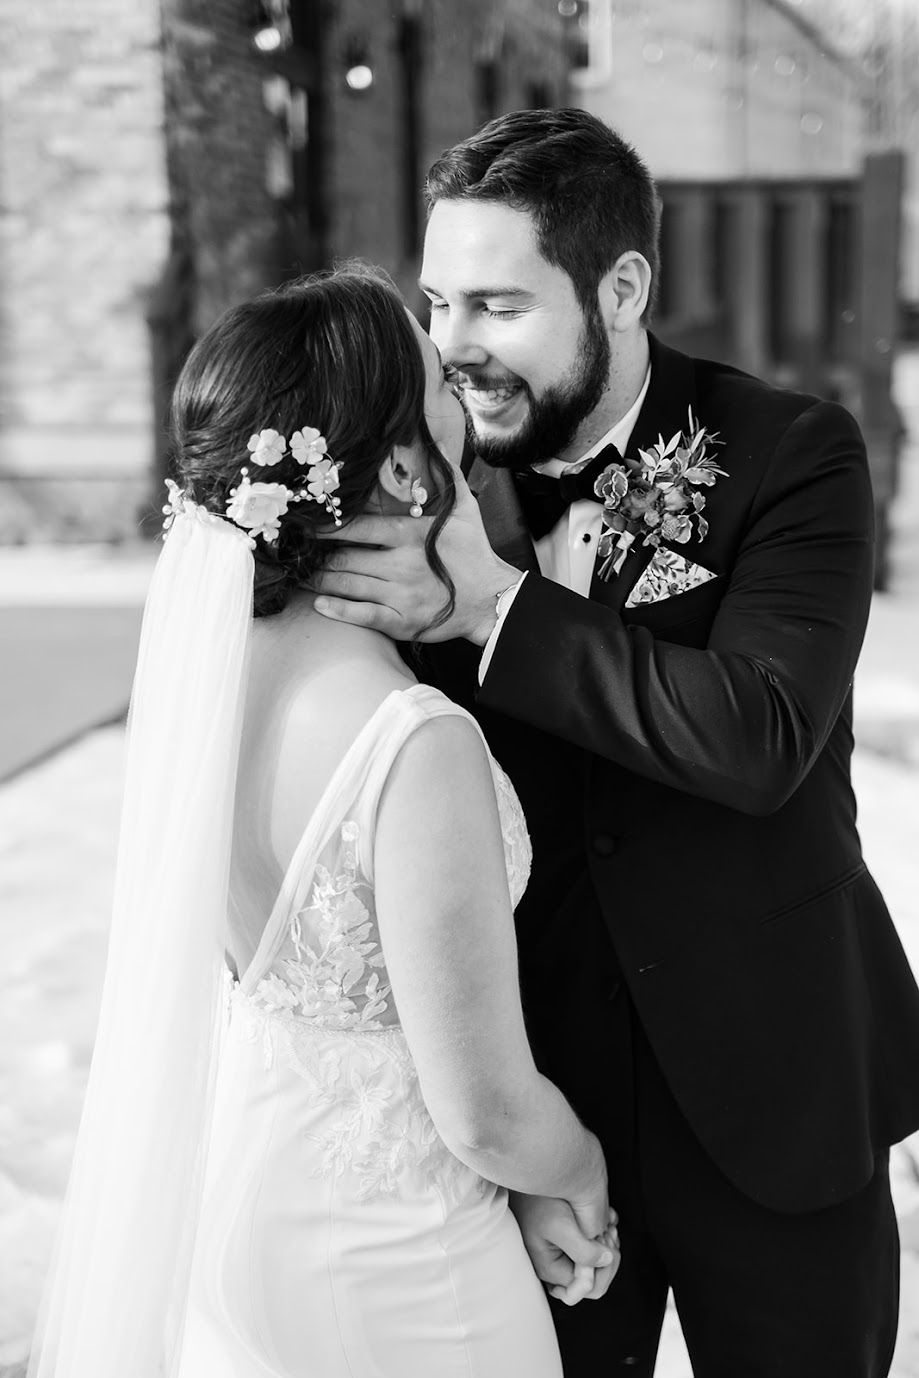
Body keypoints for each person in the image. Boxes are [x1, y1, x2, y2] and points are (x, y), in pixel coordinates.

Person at [311, 109, 919, 1376]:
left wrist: (490, 604)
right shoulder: (417, 477)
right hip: (541, 1110)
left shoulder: (791, 454)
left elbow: (759, 735)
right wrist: (505, 1130)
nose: (452, 346)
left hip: (775, 1086)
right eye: (437, 303)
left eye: (496, 304)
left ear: (622, 289)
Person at [27, 265, 619, 1378]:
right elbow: (486, 1111)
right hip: (393, 1254)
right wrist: (578, 1169)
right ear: (400, 466)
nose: (463, 383)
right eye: (437, 378)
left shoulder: (209, 681)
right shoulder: (412, 740)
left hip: (235, 1199)